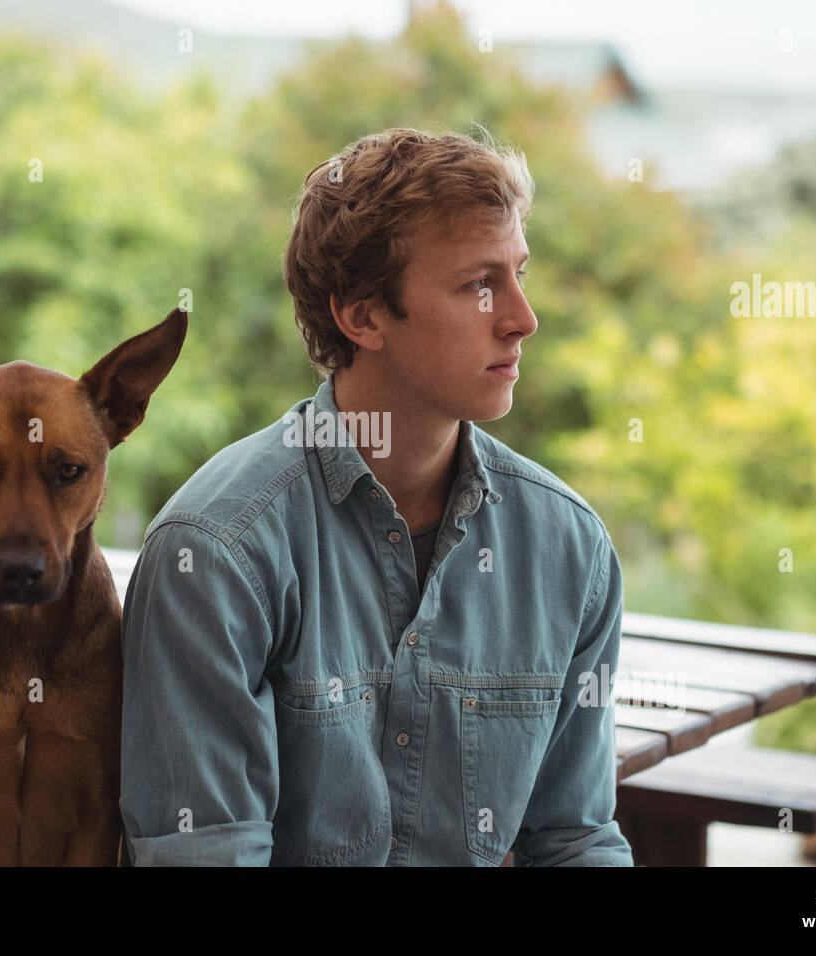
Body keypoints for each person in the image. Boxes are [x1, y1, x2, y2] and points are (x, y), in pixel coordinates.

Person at [119, 127, 633, 866]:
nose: (523, 317)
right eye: (478, 285)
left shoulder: (569, 548)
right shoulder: (216, 553)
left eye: (519, 273)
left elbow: (574, 837)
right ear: (362, 316)